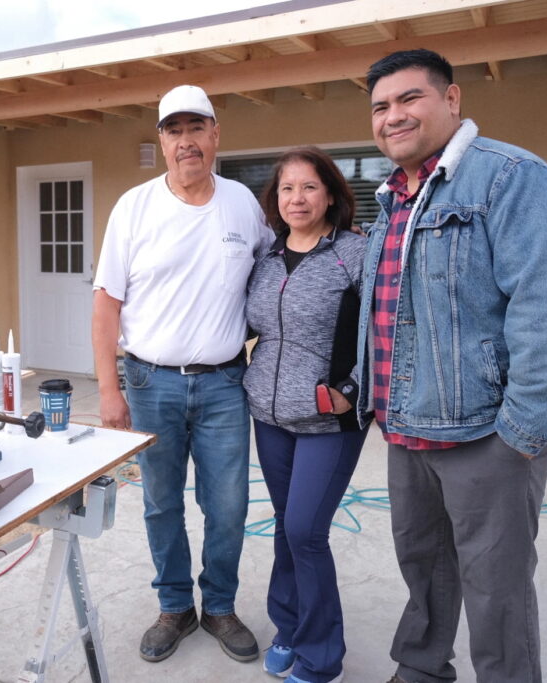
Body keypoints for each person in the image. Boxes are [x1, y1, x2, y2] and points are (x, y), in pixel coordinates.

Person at [353, 50, 547, 683]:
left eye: (410, 98)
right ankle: (422, 668)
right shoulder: (393, 201)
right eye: (381, 106)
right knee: (424, 567)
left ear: (453, 99)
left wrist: (518, 435)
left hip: (485, 437)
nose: (393, 116)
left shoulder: (510, 179)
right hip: (408, 428)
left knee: (497, 592)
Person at [91, 84, 273, 664]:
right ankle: (175, 605)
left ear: (216, 135)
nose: (186, 141)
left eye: (197, 128)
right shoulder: (134, 207)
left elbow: (276, 273)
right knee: (162, 502)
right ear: (162, 141)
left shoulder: (243, 203)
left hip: (224, 383)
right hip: (150, 383)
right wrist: (109, 391)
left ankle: (218, 605)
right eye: (174, 130)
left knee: (229, 506)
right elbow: (105, 305)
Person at [244, 147, 368, 683]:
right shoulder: (266, 259)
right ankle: (288, 627)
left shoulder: (356, 254)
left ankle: (321, 657)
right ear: (275, 200)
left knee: (305, 531)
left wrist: (352, 387)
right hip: (269, 415)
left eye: (309, 187)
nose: (297, 198)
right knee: (286, 528)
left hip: (328, 419)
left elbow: (385, 331)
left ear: (332, 195)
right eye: (287, 188)